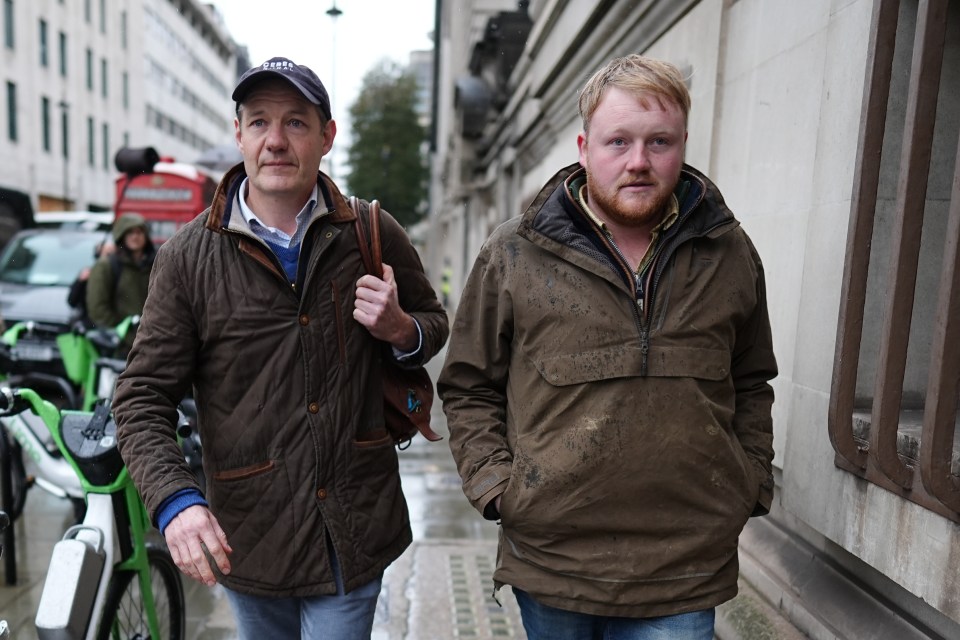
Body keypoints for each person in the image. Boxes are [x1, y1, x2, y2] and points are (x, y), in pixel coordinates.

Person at [438, 54, 777, 640]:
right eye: (618, 141)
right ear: (583, 146)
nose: (639, 162)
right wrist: (499, 490)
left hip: (685, 568)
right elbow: (469, 384)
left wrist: (747, 482)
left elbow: (751, 382)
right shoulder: (515, 253)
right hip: (554, 563)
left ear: (683, 143)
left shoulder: (729, 253)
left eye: (659, 142)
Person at [112, 56, 448, 639]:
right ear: (238, 133)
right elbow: (141, 397)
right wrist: (175, 502)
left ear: (326, 136)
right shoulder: (187, 259)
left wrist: (400, 329)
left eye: (295, 122)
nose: (276, 141)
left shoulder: (370, 231)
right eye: (260, 121)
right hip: (249, 537)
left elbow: (432, 324)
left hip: (352, 526)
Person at [85, 213, 152, 331]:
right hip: (123, 343)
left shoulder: (155, 263)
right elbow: (98, 309)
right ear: (122, 235)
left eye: (139, 232)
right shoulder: (107, 265)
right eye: (130, 232)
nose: (135, 237)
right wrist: (123, 330)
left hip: (152, 339)